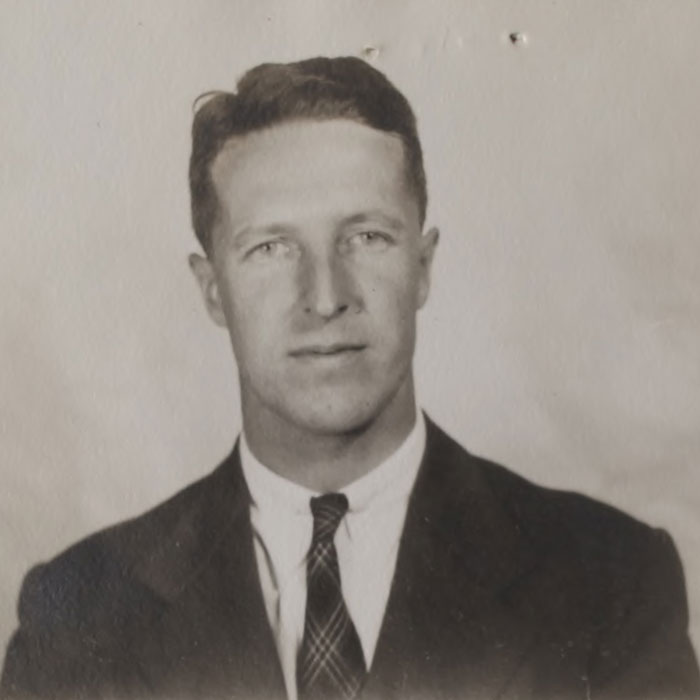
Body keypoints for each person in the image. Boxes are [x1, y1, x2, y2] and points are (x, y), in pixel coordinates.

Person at [1, 55, 698, 700]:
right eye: (272, 248)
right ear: (212, 290)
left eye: (366, 237)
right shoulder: (77, 615)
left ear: (422, 267)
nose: (326, 296)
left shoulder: (613, 584)